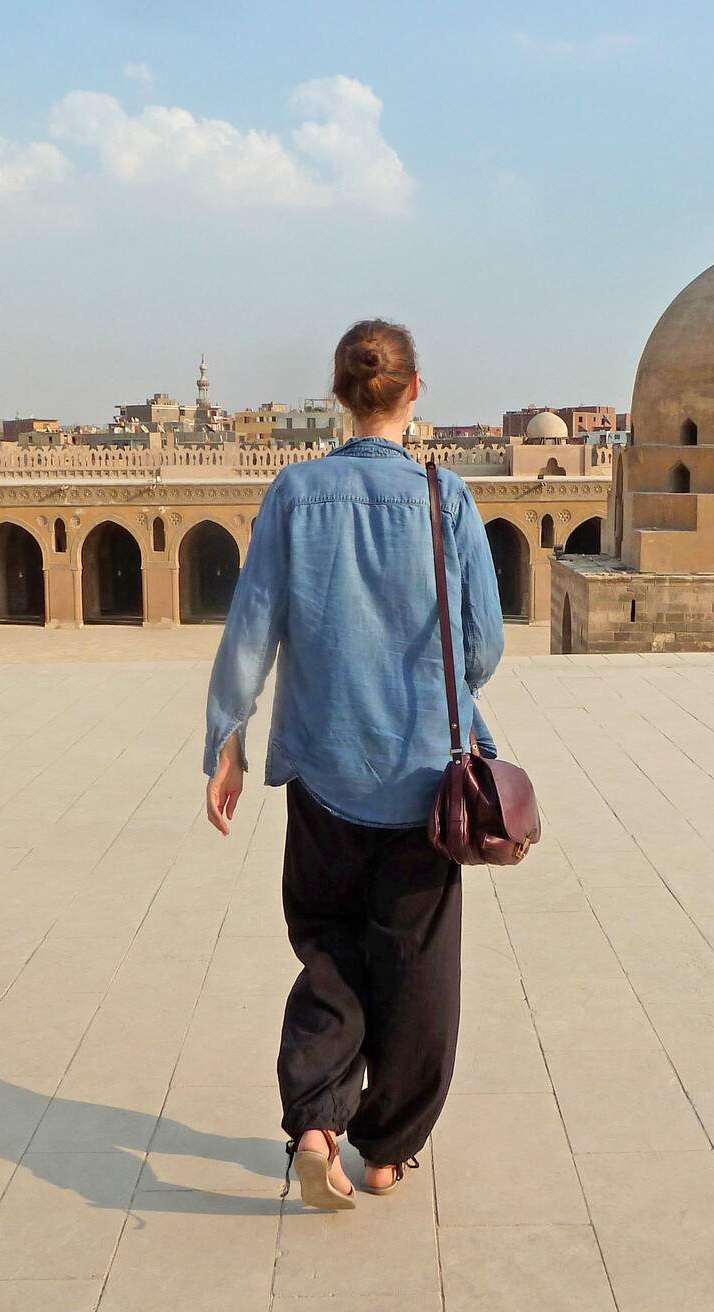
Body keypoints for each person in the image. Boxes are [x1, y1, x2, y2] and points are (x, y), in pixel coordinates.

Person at [202, 319, 505, 1210]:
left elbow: (251, 631)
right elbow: (481, 646)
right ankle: (380, 1152)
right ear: (415, 391)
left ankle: (315, 1122)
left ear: (340, 396)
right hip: (423, 782)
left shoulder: (294, 494)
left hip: (324, 778)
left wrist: (228, 737)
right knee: (417, 974)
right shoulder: (446, 499)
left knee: (328, 955)